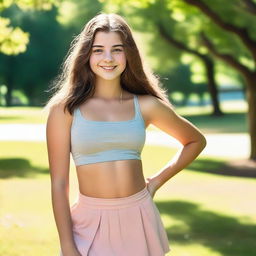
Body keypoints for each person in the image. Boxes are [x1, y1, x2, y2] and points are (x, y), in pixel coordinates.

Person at [44, 12, 206, 256]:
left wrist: (155, 182)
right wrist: (67, 245)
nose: (108, 58)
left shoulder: (146, 105)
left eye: (117, 49)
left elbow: (195, 141)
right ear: (86, 54)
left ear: (128, 54)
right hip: (90, 223)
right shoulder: (64, 110)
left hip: (140, 216)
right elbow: (59, 184)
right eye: (98, 50)